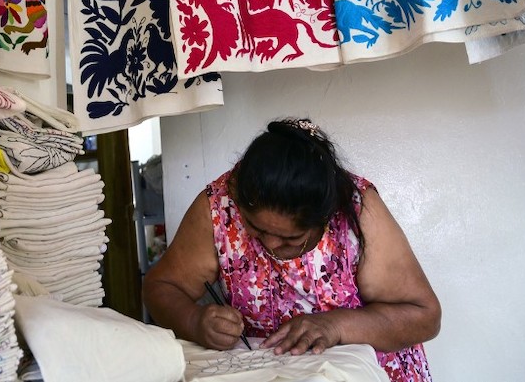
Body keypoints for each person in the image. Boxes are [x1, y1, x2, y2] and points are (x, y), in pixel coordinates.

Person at [142, 118, 441, 382]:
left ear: (325, 217)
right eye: (256, 229)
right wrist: (194, 321)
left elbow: (425, 316)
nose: (270, 245)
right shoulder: (219, 206)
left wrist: (336, 326)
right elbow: (161, 287)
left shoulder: (358, 210)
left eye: (290, 238)